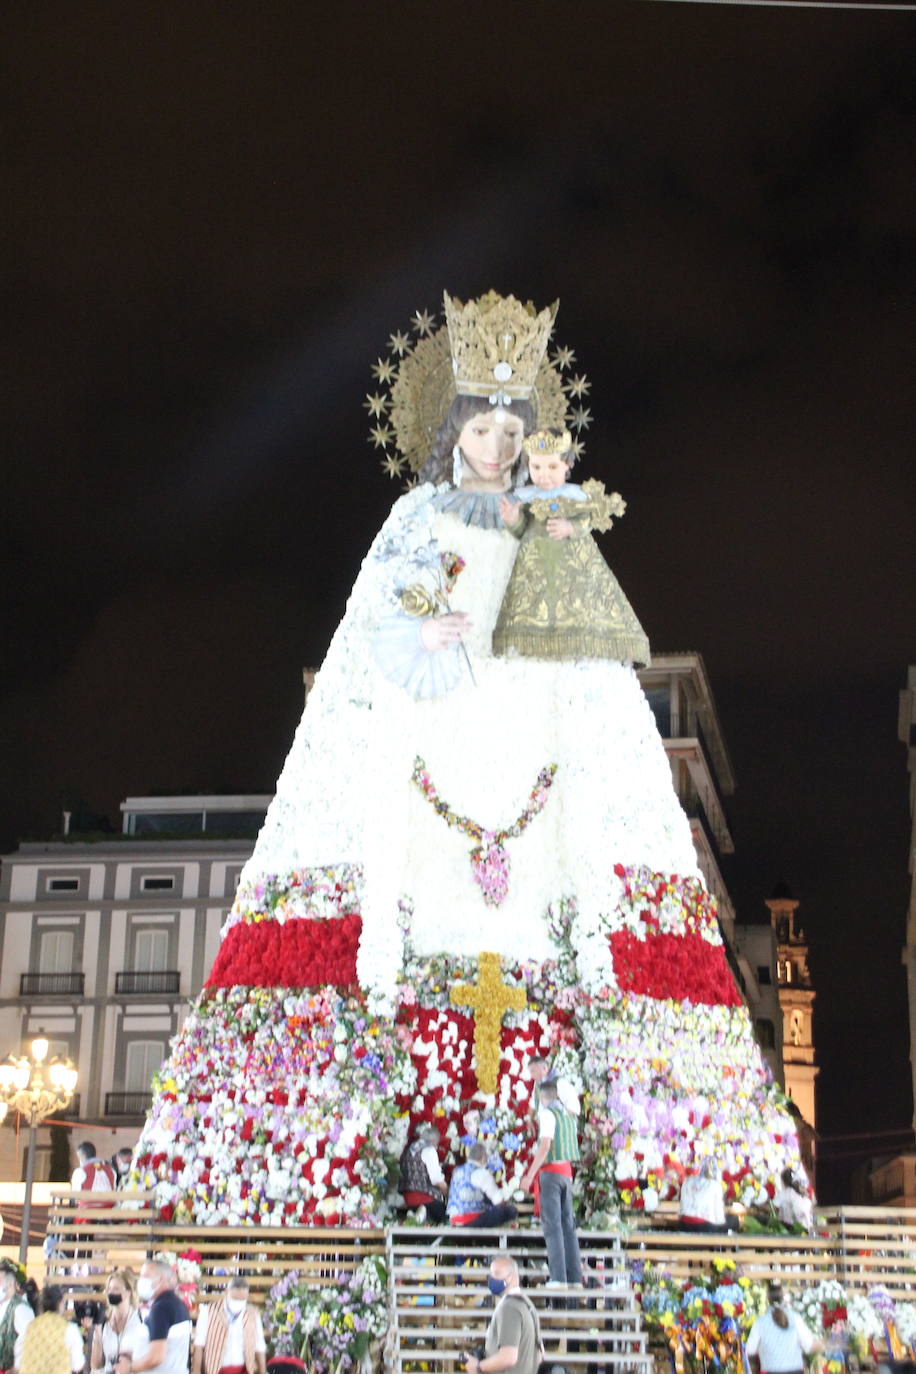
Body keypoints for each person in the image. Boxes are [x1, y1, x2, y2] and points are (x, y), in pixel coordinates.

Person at [129, 289, 807, 1229]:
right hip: (427, 774)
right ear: (453, 429)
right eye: (480, 425)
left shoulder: (548, 524)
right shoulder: (412, 520)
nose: (494, 444)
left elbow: (593, 657)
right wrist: (422, 630)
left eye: (508, 426)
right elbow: (374, 636)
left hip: (540, 783)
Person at [493, 428, 649, 665]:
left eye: (552, 467)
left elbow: (587, 521)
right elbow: (522, 530)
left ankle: (578, 657)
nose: (544, 475)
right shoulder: (526, 497)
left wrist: (570, 528)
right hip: (535, 567)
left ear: (566, 464)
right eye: (537, 468)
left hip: (574, 567)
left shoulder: (576, 496)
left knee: (577, 609)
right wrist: (513, 520)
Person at [520, 1081, 582, 1287]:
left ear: (541, 1096)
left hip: (552, 1174)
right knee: (568, 1226)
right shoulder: (567, 1115)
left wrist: (530, 1174)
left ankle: (558, 1278)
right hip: (566, 1172)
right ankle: (574, 1278)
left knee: (553, 1226)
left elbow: (545, 1145)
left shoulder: (547, 1114)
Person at [463, 1255, 541, 1374]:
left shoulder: (509, 1307)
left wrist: (478, 1366)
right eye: (491, 1274)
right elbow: (540, 1354)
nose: (492, 1279)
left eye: (497, 1274)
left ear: (513, 1277)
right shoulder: (528, 1305)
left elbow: (508, 1358)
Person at [113, 1261, 190, 1374]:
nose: (141, 1281)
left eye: (145, 1277)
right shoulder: (176, 1304)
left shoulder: (161, 1308)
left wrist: (129, 1368)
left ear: (161, 1279)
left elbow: (156, 1357)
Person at [192, 1279, 265, 1374]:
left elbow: (260, 1345)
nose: (238, 1303)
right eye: (235, 1299)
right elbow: (199, 1344)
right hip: (216, 1369)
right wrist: (196, 1371)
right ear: (226, 1292)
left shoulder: (253, 1313)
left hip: (243, 1369)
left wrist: (262, 1371)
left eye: (242, 1300)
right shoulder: (208, 1311)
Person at [746, 1282, 820, 1374]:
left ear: (767, 1299)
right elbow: (808, 1346)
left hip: (771, 1371)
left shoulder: (760, 1322)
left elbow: (749, 1349)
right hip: (795, 1371)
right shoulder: (795, 1317)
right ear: (783, 1298)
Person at [447, 1143, 518, 1229]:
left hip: (454, 1220)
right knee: (509, 1211)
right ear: (483, 1157)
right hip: (472, 1220)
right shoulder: (482, 1173)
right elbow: (498, 1201)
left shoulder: (457, 1170)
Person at [19, 1286, 84, 1374]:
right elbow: (77, 1365)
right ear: (60, 1303)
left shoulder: (29, 1327)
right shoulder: (69, 1329)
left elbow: (19, 1359)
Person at [90, 1271, 143, 1374]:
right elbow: (96, 1365)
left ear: (129, 1292)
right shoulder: (104, 1321)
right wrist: (97, 1334)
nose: (111, 1292)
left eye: (116, 1289)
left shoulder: (141, 1319)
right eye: (109, 1289)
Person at [398, 1125, 449, 1223]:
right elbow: (436, 1180)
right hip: (425, 1198)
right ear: (434, 1141)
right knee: (447, 1219)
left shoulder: (408, 1150)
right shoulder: (429, 1150)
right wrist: (448, 1192)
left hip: (407, 1197)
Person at [0, 1260, 38, 1374]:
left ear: (10, 1283)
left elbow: (30, 1340)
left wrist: (17, 1367)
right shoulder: (2, 1305)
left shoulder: (21, 1308)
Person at [678, 1157, 727, 1232]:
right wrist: (721, 1224)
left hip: (684, 1223)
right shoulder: (715, 1184)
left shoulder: (687, 1181)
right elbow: (718, 1213)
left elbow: (682, 1205)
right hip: (704, 1225)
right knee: (733, 1222)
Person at [772, 1168, 814, 1233]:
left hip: (791, 1229)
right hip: (807, 1227)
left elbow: (773, 1207)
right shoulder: (802, 1191)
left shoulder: (783, 1194)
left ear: (783, 1181)